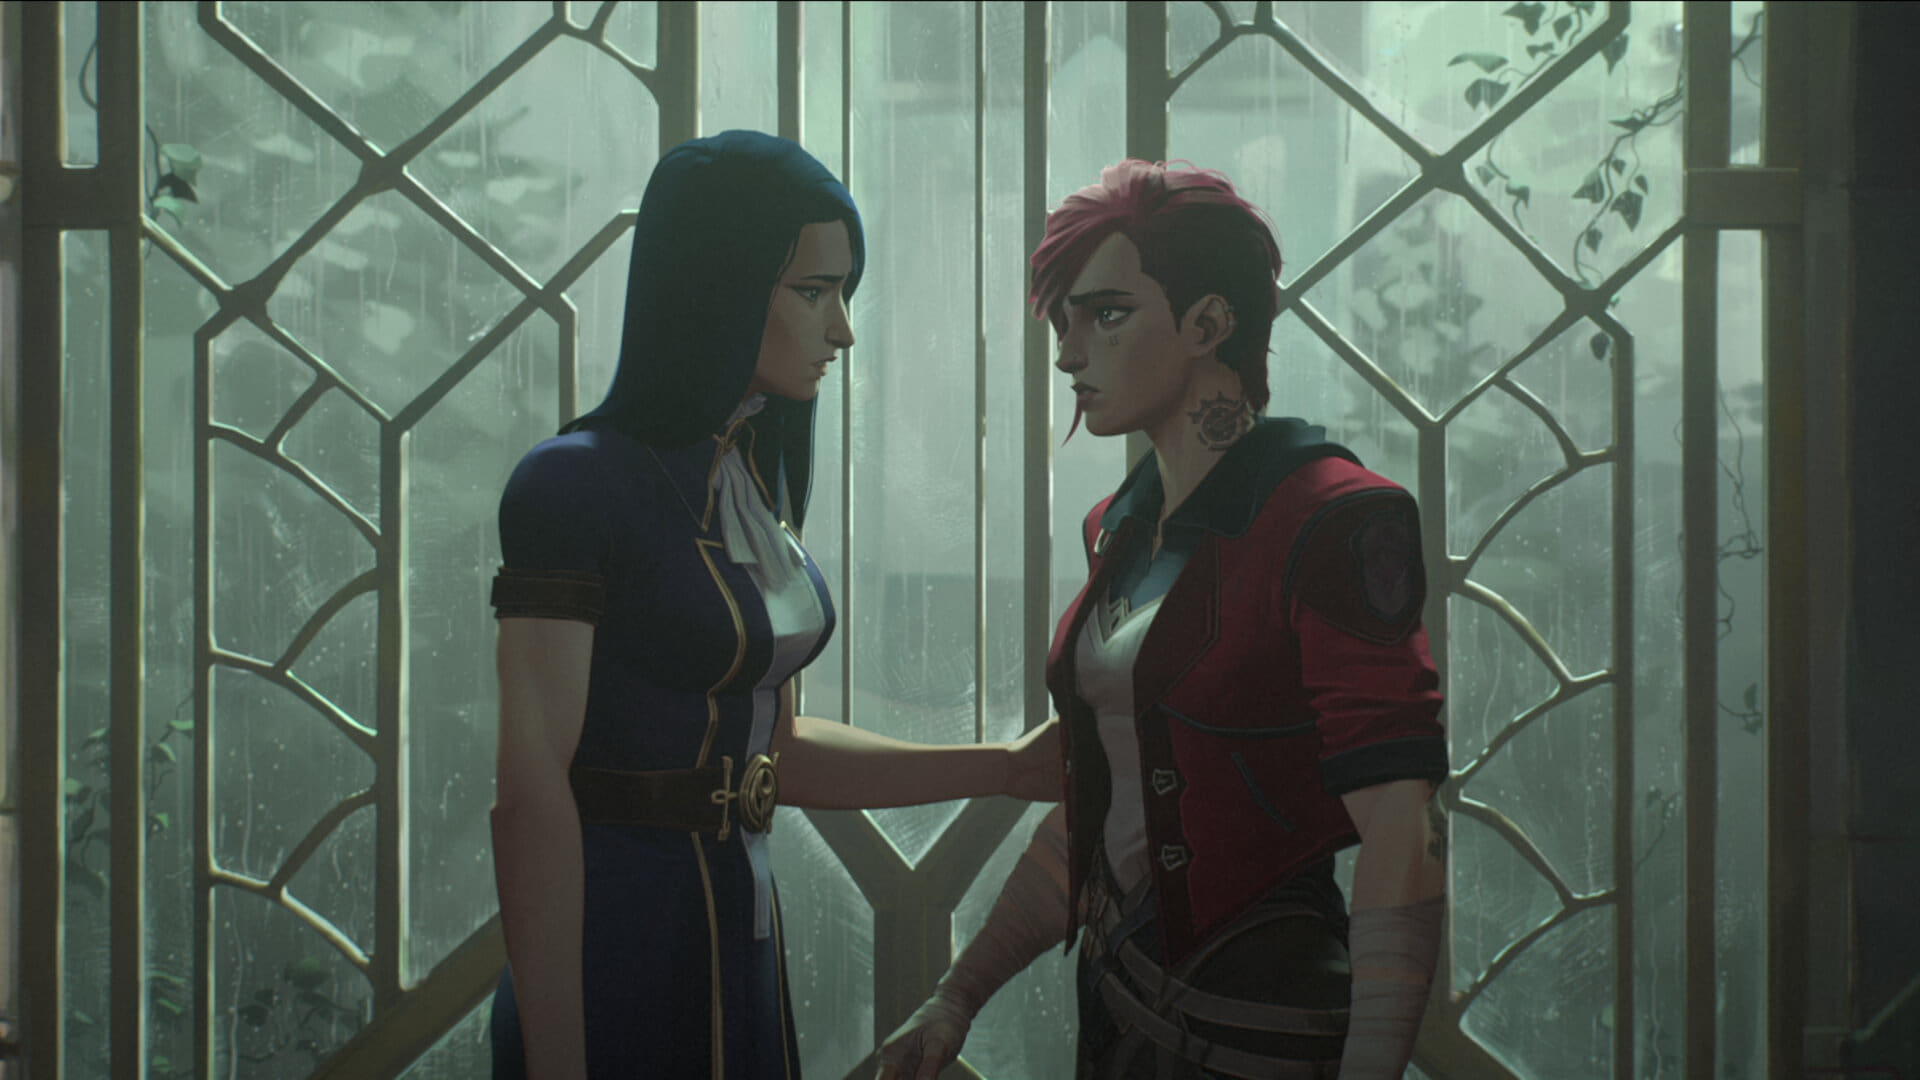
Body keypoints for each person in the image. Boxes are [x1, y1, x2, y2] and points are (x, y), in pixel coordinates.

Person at [487, 130, 1060, 1080]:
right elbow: (529, 795)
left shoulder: (749, 480)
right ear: (719, 284)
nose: (841, 330)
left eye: (844, 292)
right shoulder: (572, 484)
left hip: (740, 931)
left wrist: (1004, 767)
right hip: (609, 942)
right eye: (813, 291)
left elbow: (774, 753)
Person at [877, 160, 1449, 1080]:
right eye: (1063, 323)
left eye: (1106, 315)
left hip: (1264, 1019)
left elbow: (1401, 823)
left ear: (1209, 325)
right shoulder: (1121, 527)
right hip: (1118, 1012)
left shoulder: (1334, 517)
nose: (1069, 355)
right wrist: (958, 994)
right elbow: (1105, 809)